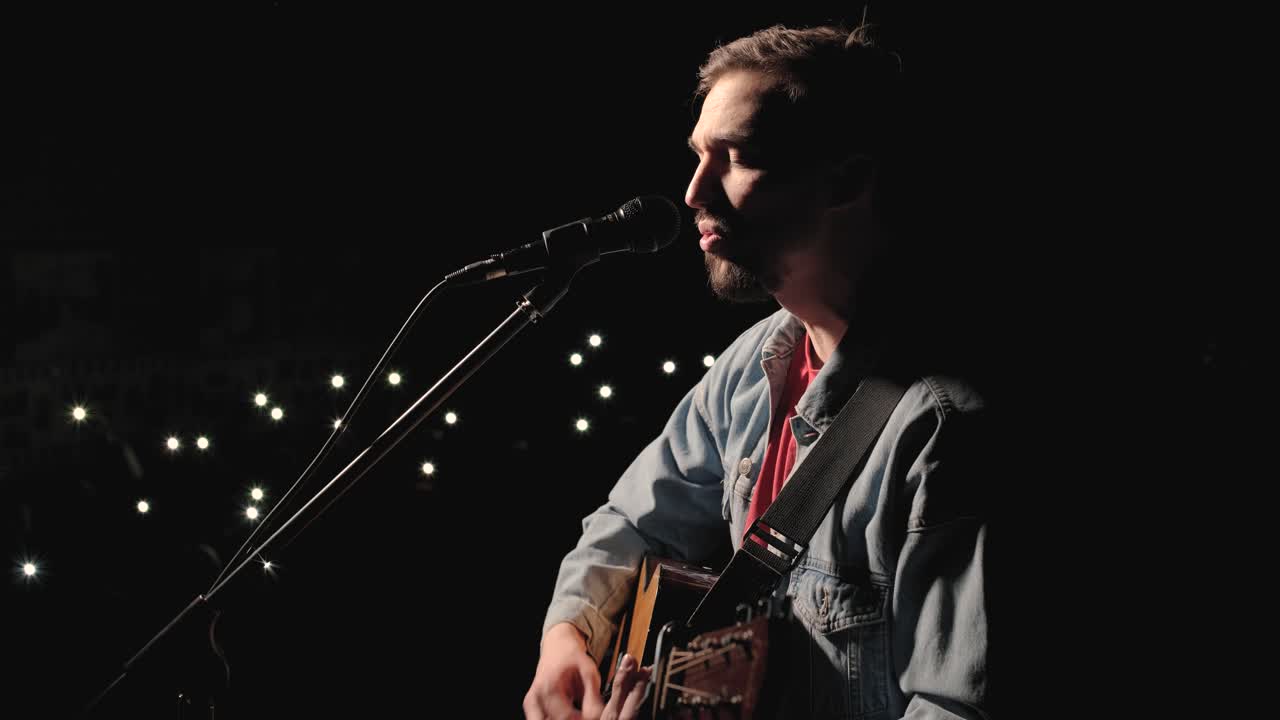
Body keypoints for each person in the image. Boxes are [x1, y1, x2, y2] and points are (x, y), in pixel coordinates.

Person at [524, 22, 994, 720]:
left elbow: (957, 706)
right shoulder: (753, 364)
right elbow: (632, 521)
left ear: (847, 180)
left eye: (737, 157)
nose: (693, 192)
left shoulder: (943, 427)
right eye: (697, 156)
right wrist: (566, 637)